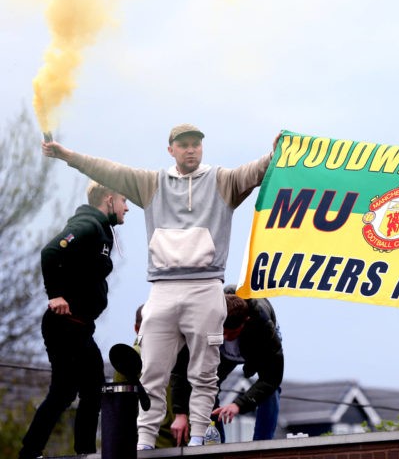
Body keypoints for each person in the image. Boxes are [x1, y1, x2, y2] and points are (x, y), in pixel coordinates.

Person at [42, 124, 273, 449]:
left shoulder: (222, 180)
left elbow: (255, 172)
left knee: (205, 370)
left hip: (207, 285)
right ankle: (145, 441)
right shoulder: (154, 184)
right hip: (165, 286)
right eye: (184, 145)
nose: (191, 150)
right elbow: (109, 170)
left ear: (201, 149)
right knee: (152, 365)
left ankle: (197, 438)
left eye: (196, 144)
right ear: (172, 150)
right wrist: (67, 156)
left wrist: (276, 154)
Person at [19, 181, 128, 459]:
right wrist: (55, 295)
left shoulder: (101, 231)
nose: (127, 207)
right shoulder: (87, 225)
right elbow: (51, 251)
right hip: (65, 326)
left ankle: (77, 452)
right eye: (123, 200)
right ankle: (42, 452)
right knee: (77, 390)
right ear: (109, 199)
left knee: (80, 391)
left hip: (79, 328)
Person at [171, 291, 284, 443]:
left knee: (271, 391)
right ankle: (215, 440)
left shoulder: (263, 328)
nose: (225, 337)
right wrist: (180, 413)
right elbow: (181, 370)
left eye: (232, 333)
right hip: (223, 355)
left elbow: (272, 378)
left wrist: (238, 404)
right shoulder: (203, 320)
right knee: (207, 385)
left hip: (255, 347)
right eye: (222, 332)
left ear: (246, 321)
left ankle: (262, 442)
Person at [112, 305, 177, 448]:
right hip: (171, 444)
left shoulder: (128, 357)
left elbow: (119, 412)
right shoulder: (177, 355)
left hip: (148, 444)